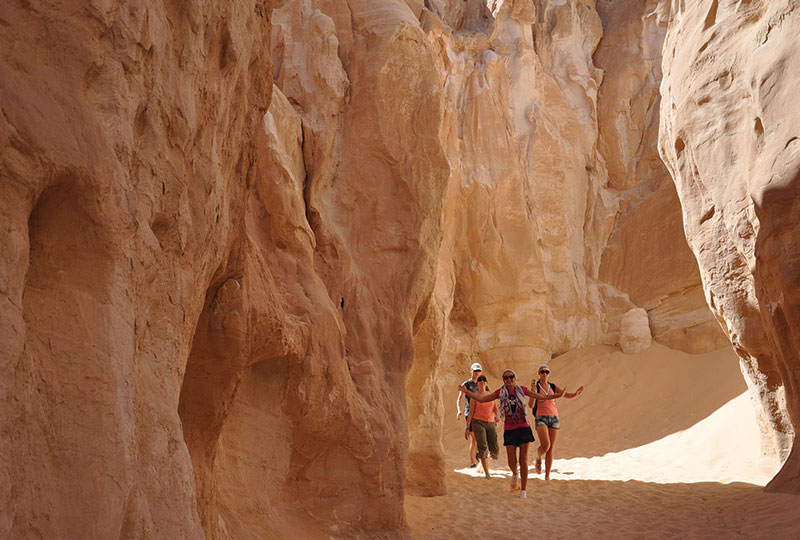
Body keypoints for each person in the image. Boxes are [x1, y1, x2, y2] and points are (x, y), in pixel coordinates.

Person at [460, 369, 564, 498]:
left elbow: (541, 397)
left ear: (515, 378)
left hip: (524, 427)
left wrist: (558, 395)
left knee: (523, 460)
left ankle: (523, 491)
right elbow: (483, 399)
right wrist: (468, 392)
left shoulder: (522, 389)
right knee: (511, 463)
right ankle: (515, 474)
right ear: (504, 380)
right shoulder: (500, 392)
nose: (509, 379)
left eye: (511, 377)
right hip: (509, 429)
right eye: (506, 378)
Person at [528, 364, 584, 481]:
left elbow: (565, 395)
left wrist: (575, 394)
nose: (544, 374)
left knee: (551, 448)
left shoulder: (552, 386)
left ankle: (547, 476)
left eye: (547, 372)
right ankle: (538, 456)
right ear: (539, 374)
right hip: (541, 417)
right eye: (542, 372)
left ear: (549, 374)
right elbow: (531, 405)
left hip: (554, 417)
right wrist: (533, 393)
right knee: (546, 445)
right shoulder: (536, 387)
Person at [464, 375, 499, 478]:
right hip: (478, 422)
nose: (482, 382)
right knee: (482, 446)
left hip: (491, 422)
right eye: (480, 380)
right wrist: (467, 427)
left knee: (495, 451)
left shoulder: (491, 395)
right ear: (477, 383)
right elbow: (470, 413)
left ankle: (482, 463)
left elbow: (495, 408)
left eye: (484, 380)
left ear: (486, 383)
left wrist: (497, 416)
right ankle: (487, 474)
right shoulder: (474, 396)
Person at [456, 362, 486, 468]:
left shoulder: (482, 383)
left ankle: (477, 453)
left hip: (481, 414)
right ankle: (473, 462)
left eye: (479, 371)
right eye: (475, 370)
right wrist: (459, 410)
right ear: (471, 371)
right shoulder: (466, 384)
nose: (477, 373)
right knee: (474, 439)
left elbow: (488, 395)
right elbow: (459, 399)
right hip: (470, 414)